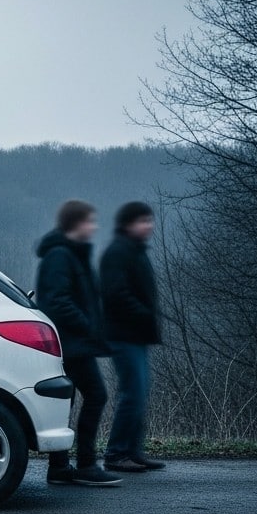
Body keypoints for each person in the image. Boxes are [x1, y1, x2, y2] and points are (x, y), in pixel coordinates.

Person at [36, 200, 121, 487]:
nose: (94, 227)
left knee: (68, 402)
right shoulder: (60, 255)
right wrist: (87, 325)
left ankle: (60, 467)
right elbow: (57, 301)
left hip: (74, 342)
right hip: (71, 343)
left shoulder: (70, 253)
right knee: (96, 395)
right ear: (76, 223)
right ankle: (85, 464)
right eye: (90, 221)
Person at [101, 201, 166, 473]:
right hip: (123, 335)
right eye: (143, 221)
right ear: (128, 224)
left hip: (136, 335)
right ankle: (116, 453)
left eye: (150, 220)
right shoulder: (118, 252)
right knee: (132, 393)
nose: (149, 226)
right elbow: (115, 294)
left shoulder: (135, 250)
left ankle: (133, 451)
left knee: (138, 393)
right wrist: (143, 313)